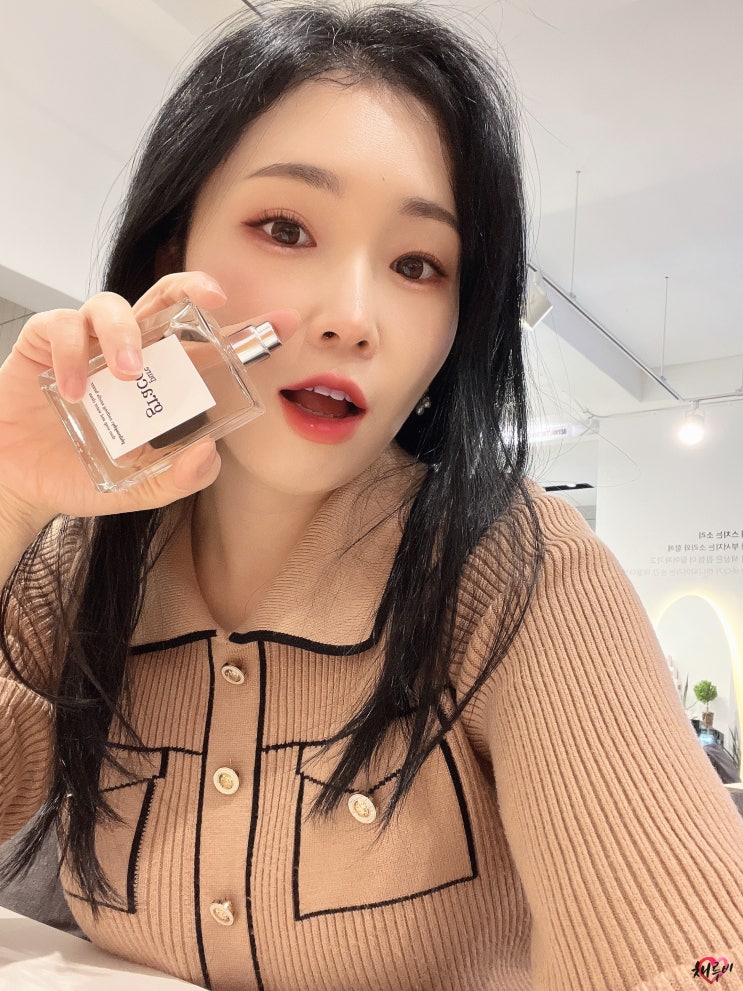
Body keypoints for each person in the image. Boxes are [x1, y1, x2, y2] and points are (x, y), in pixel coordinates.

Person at [0, 3, 742, 989]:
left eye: (416, 265)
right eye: (285, 228)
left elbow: (695, 960)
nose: (353, 318)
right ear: (168, 256)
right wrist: (7, 495)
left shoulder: (518, 572)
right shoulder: (80, 566)